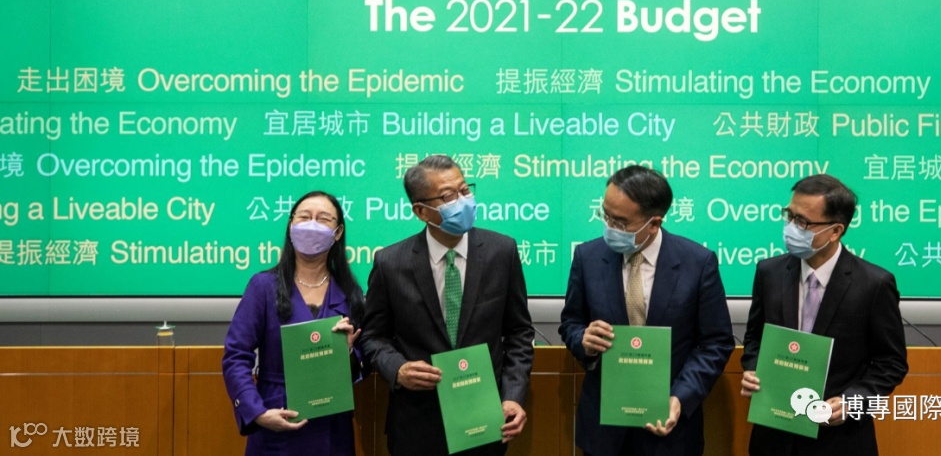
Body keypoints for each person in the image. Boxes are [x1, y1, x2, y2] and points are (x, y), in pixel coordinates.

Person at [360, 155, 533, 456]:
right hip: (417, 426)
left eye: (465, 190)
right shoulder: (390, 263)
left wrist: (513, 395)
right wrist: (398, 369)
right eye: (448, 197)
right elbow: (373, 337)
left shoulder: (501, 251)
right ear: (421, 211)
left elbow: (519, 333)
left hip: (485, 420)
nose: (462, 201)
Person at [560, 164, 735, 456]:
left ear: (654, 223)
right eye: (606, 215)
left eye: (620, 222)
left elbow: (716, 342)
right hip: (604, 430)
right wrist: (584, 341)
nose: (609, 227)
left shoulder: (697, 263)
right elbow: (571, 323)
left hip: (670, 432)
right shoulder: (588, 257)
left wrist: (680, 397)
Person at [740, 174, 908, 455]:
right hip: (774, 436)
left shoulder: (874, 284)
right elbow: (755, 338)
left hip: (839, 440)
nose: (791, 227)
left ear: (835, 231)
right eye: (789, 216)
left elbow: (891, 363)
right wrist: (754, 370)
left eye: (803, 222)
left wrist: (852, 402)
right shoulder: (769, 272)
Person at [223, 190, 365, 455]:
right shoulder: (263, 287)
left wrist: (346, 353)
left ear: (337, 232)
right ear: (291, 226)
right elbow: (235, 356)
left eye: (323, 219)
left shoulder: (350, 293)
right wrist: (257, 412)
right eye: (304, 217)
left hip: (333, 428)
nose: (312, 225)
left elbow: (361, 368)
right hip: (276, 420)